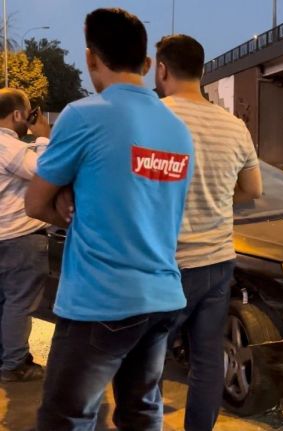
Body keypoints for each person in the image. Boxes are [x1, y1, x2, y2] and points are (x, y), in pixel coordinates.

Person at [26, 8, 194, 430]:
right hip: (161, 297)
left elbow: (34, 203)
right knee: (141, 412)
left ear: (90, 58)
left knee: (66, 418)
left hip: (101, 300)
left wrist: (64, 202)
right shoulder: (176, 129)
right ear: (147, 64)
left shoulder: (84, 115)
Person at [155, 34, 262, 431]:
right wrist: (215, 200)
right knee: (206, 359)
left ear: (162, 69)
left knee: (147, 360)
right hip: (218, 261)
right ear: (202, 72)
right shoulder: (233, 126)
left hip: (168, 264)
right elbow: (252, 189)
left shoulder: (155, 118)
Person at [0, 89, 51, 382]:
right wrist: (43, 136)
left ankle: (7, 356)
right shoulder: (9, 147)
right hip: (17, 239)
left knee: (5, 304)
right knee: (19, 303)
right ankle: (15, 364)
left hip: (3, 238)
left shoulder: (12, 147)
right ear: (19, 114)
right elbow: (45, 171)